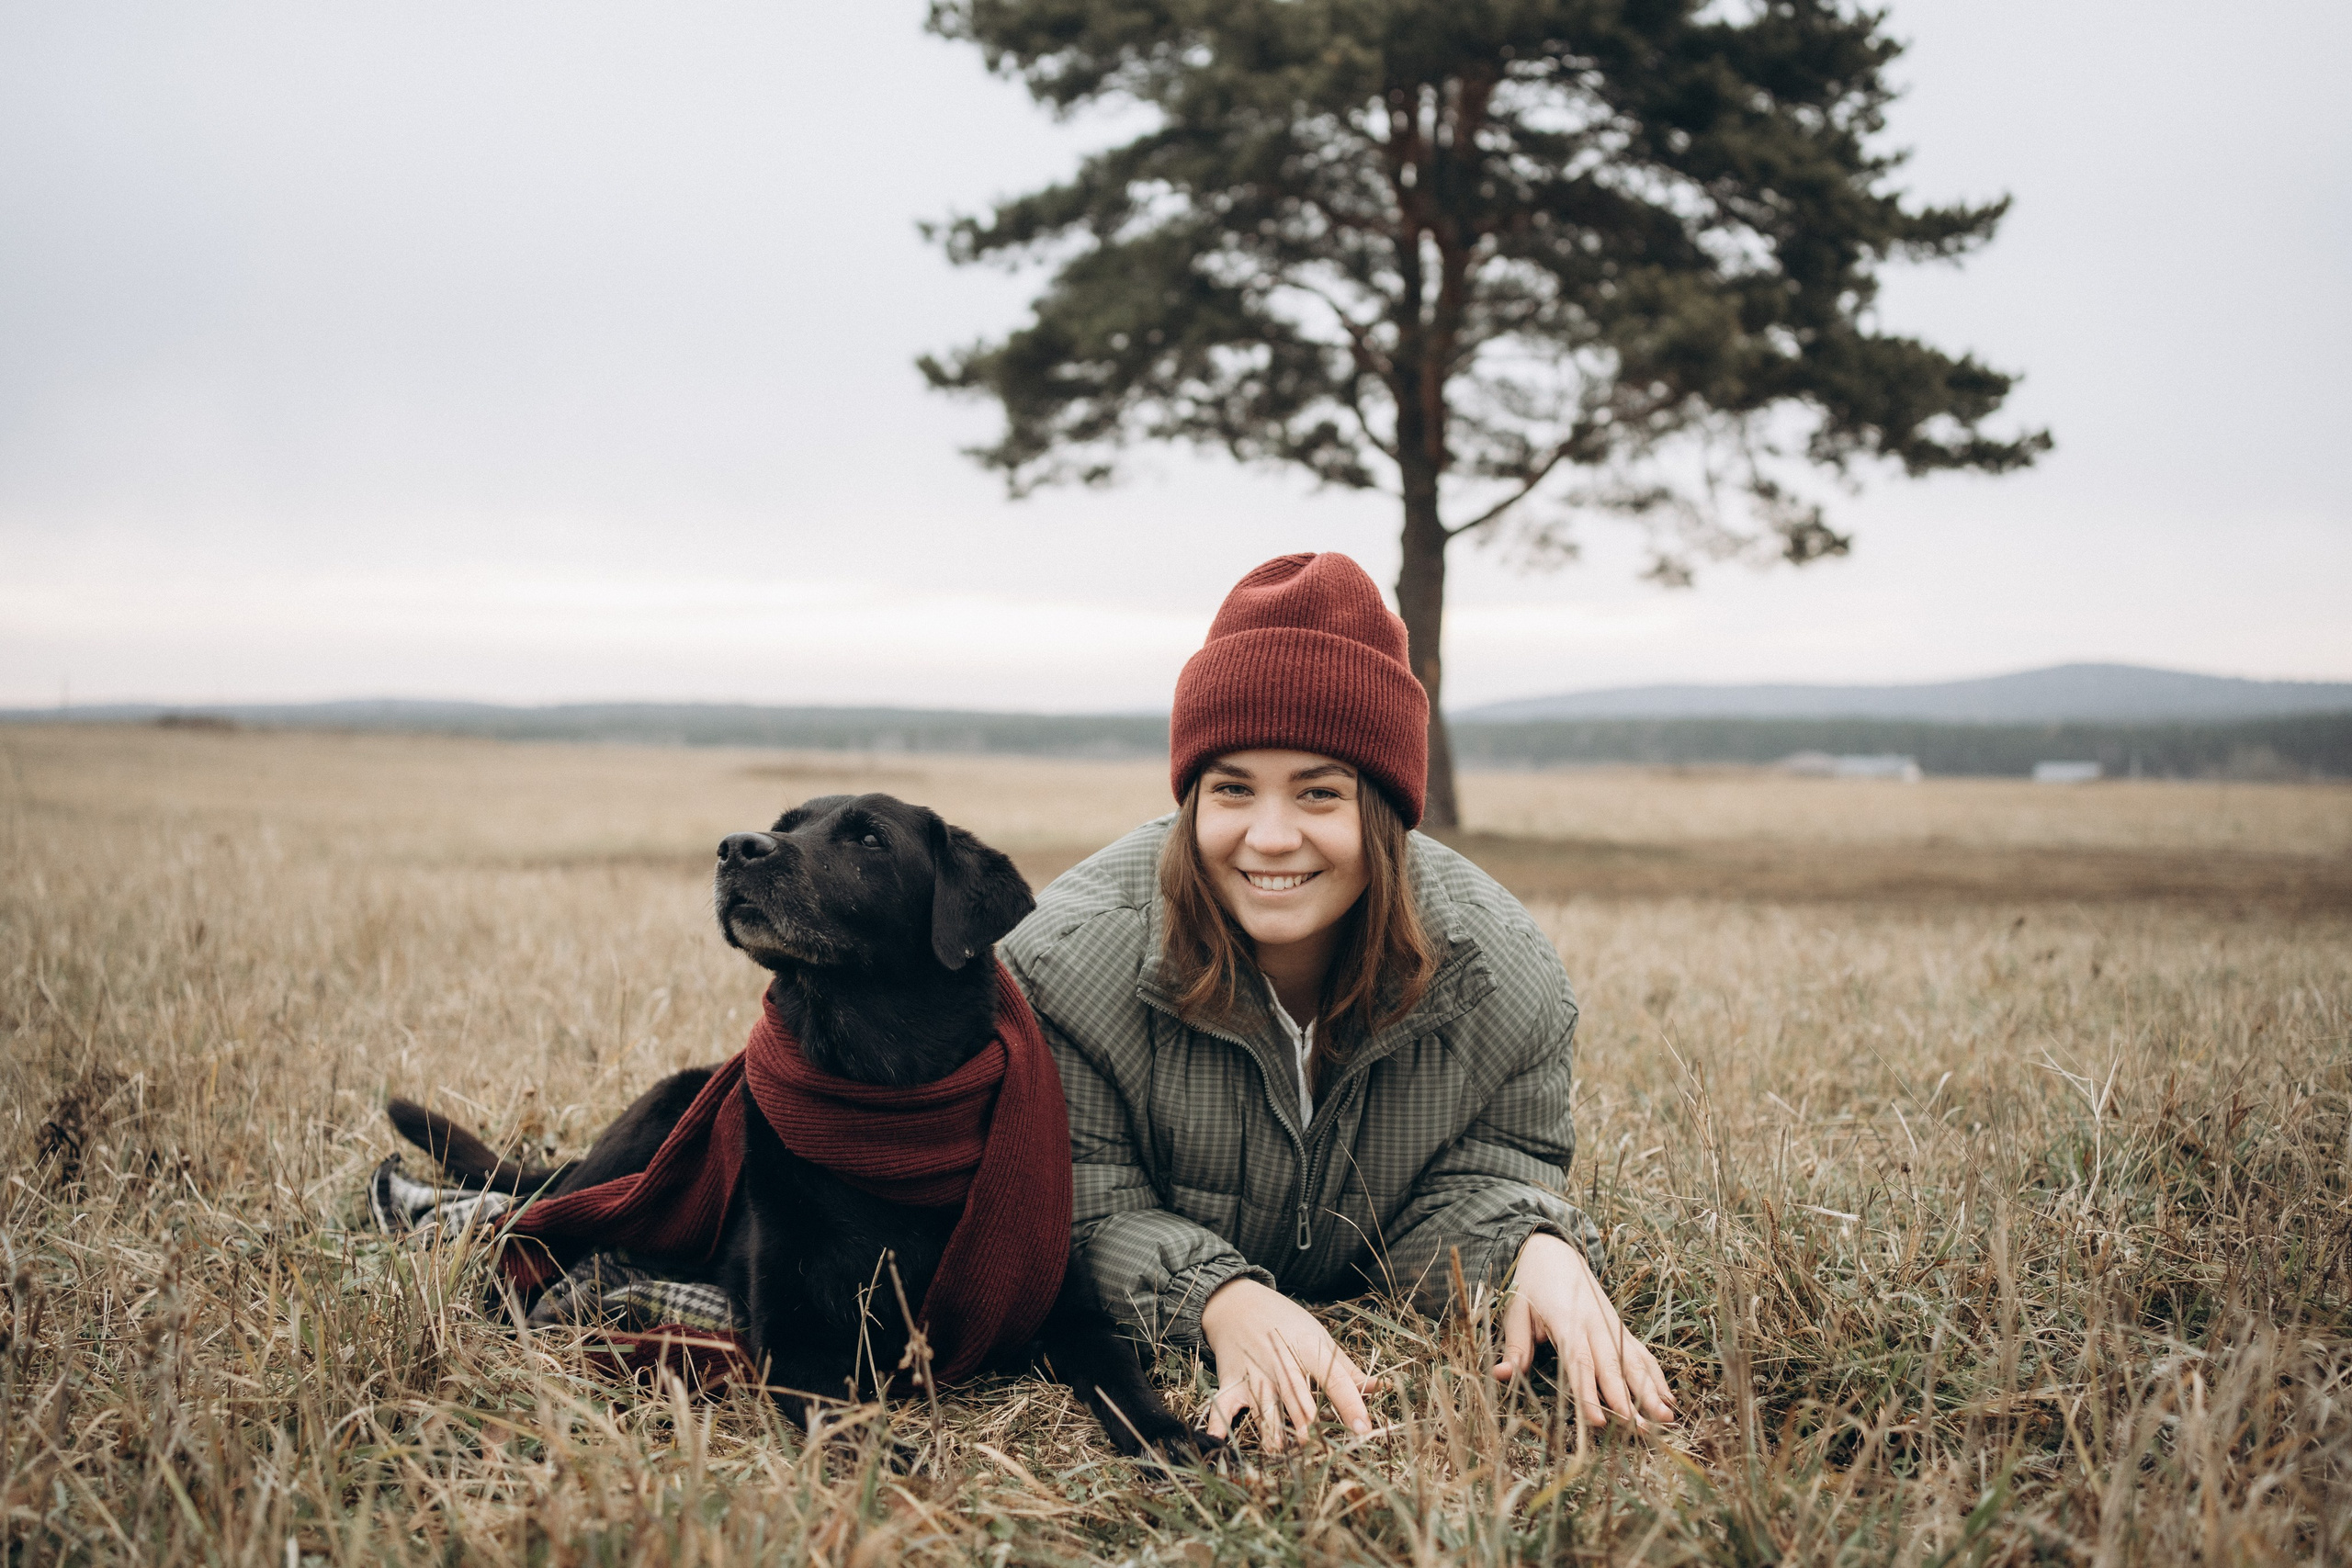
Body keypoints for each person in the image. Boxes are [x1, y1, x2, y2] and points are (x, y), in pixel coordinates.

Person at [1000, 552, 1673, 1451]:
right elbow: (1070, 1203)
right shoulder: (1064, 963)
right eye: (1232, 789)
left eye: (1320, 793)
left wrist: (1533, 1250)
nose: (1271, 836)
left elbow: (1481, 1178)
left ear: (1386, 811)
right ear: (1191, 798)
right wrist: (1220, 1298)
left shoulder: (1502, 976)